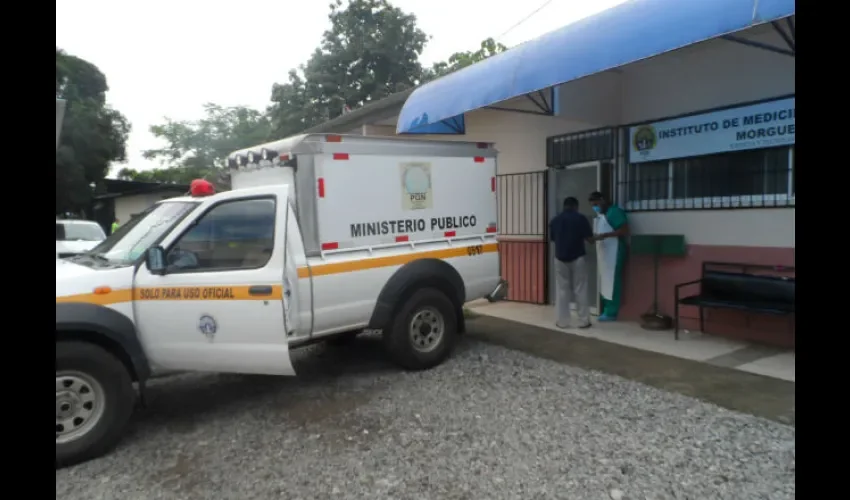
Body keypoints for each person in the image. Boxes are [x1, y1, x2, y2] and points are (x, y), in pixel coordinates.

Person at [548, 196, 594, 329]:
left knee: (562, 290)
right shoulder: (580, 218)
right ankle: (584, 321)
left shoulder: (555, 220)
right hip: (577, 257)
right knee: (580, 288)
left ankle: (562, 321)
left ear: (564, 206)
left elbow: (553, 239)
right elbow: (590, 238)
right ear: (576, 206)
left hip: (560, 258)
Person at [588, 191, 629, 321]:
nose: (595, 207)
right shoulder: (602, 215)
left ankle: (612, 311)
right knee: (605, 280)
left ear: (603, 200)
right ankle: (606, 309)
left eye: (596, 204)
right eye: (593, 205)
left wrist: (604, 236)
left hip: (615, 252)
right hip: (605, 254)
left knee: (613, 281)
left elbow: (624, 230)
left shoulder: (614, 212)